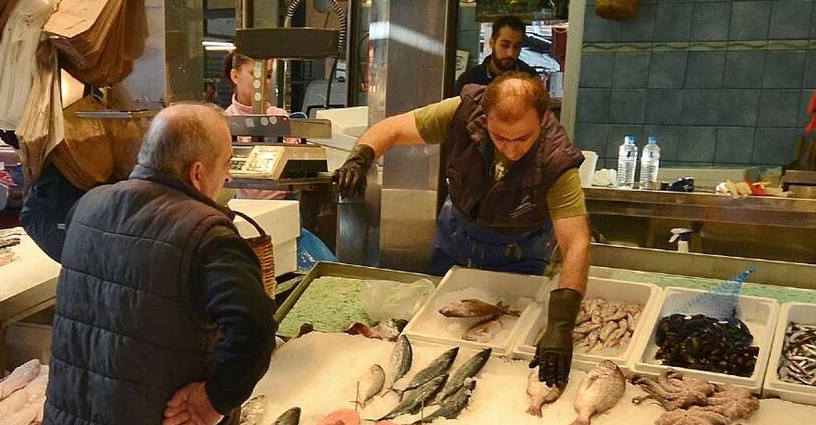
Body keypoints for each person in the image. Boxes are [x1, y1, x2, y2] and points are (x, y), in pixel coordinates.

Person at [39, 103, 277, 425]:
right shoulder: (207, 233)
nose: (226, 178)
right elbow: (255, 326)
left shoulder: (90, 207)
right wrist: (215, 401)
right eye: (224, 166)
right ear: (197, 172)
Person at [333, 73, 590, 389]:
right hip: (456, 234)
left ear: (543, 118)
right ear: (485, 115)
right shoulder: (462, 112)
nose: (510, 150)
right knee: (441, 328)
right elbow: (394, 128)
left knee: (505, 344)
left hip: (520, 249)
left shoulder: (557, 160)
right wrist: (360, 159)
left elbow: (576, 241)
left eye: (523, 139)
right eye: (499, 137)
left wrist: (561, 326)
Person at [223, 50, 294, 200]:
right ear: (235, 76)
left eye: (268, 76)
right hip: (241, 206)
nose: (264, 82)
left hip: (283, 205)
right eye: (255, 75)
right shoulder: (224, 121)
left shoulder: (280, 118)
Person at [454, 16, 539, 94]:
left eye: (517, 47)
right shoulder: (469, 81)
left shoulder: (530, 79)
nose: (510, 53)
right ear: (492, 43)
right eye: (505, 45)